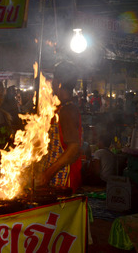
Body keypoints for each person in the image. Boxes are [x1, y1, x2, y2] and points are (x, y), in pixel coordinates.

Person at [37, 61, 82, 193]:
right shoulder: (60, 107)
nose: (51, 82)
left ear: (59, 82)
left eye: (54, 78)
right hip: (53, 177)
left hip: (64, 179)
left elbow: (73, 148)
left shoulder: (68, 110)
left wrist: (48, 173)